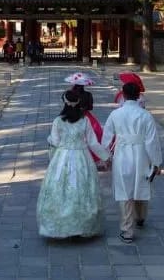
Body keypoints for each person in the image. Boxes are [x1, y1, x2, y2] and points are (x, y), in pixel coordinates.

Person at [36, 89, 111, 239]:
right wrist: (106, 156)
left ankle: (60, 225)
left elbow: (55, 141)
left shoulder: (58, 121)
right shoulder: (84, 120)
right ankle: (82, 225)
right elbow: (93, 143)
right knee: (83, 188)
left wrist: (50, 141)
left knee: (60, 188)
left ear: (64, 102)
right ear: (78, 102)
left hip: (62, 157)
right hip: (81, 157)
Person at [101, 82, 162, 243]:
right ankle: (141, 216)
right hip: (141, 153)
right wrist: (156, 162)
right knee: (142, 183)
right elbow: (152, 141)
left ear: (123, 94)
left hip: (122, 153)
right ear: (138, 95)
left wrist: (105, 157)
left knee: (124, 189)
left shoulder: (116, 114)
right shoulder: (145, 115)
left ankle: (127, 230)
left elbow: (106, 137)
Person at [64, 72, 106, 168]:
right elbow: (90, 107)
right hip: (86, 115)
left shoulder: (69, 94)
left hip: (71, 115)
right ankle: (95, 157)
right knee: (95, 134)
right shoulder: (88, 94)